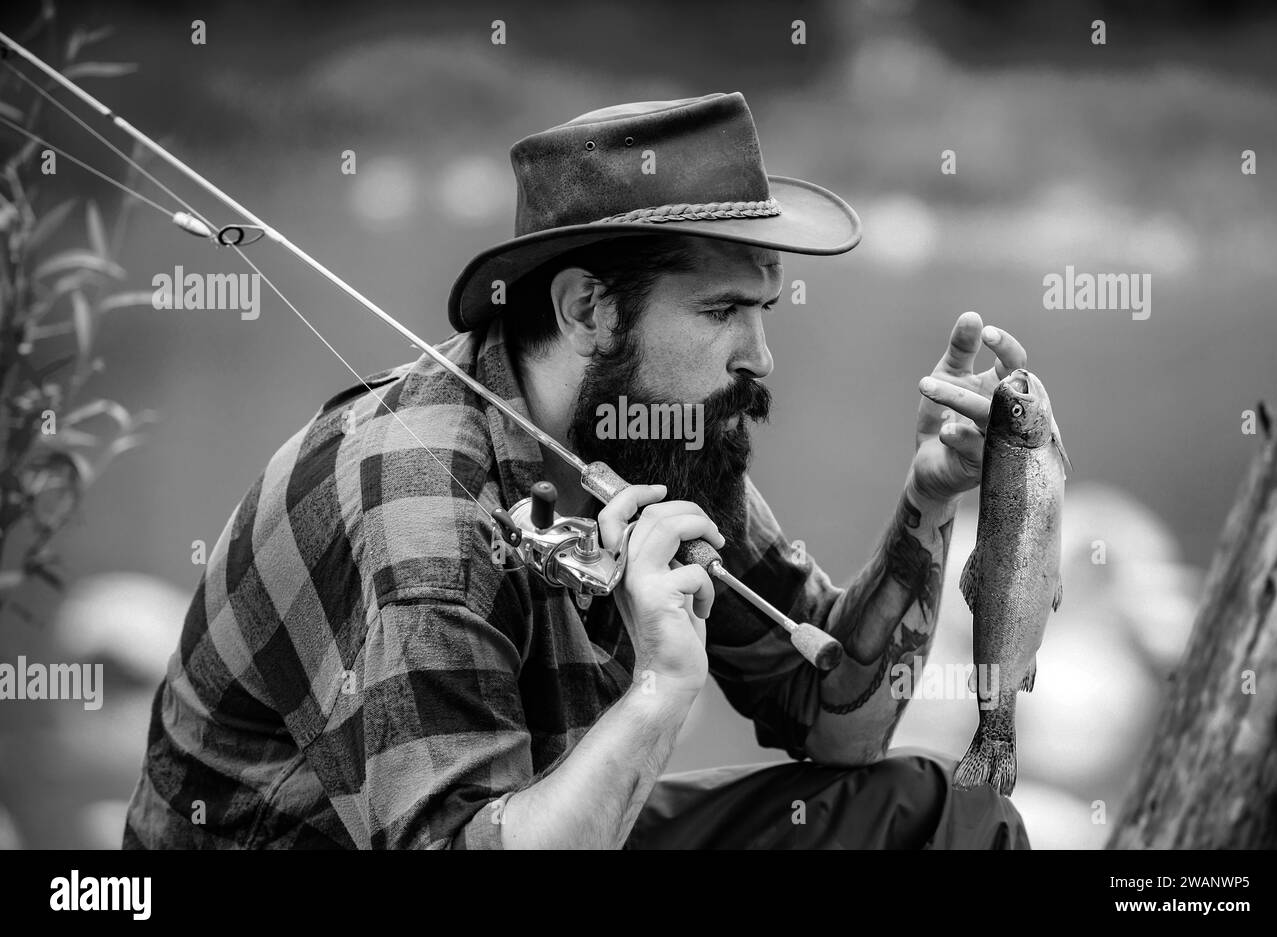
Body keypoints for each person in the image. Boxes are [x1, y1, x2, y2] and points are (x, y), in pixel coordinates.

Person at [124, 92, 1030, 849]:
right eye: (721, 310)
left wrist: (930, 497)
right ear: (588, 307)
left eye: (764, 309)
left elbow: (837, 719)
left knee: (944, 821)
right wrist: (661, 690)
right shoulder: (421, 512)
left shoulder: (652, 434)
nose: (758, 356)